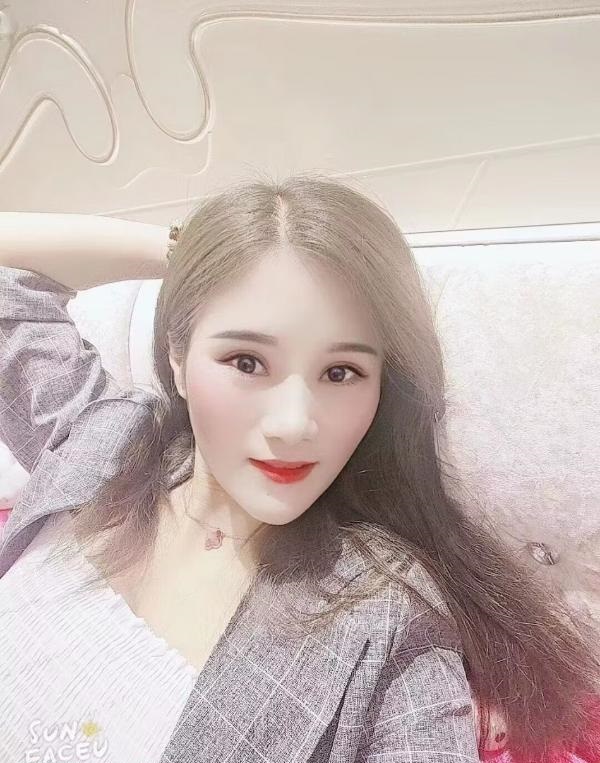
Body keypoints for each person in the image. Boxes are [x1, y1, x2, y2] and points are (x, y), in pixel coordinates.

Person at [0, 174, 599, 763]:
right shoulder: (106, 439)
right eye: (246, 361)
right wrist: (192, 252)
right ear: (178, 359)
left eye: (341, 373)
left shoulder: (387, 621)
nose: (293, 424)